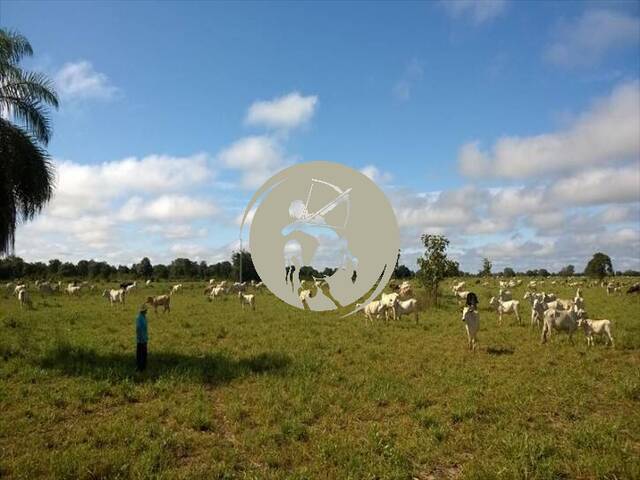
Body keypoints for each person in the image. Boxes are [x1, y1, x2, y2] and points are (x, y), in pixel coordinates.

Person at [136, 304, 148, 371]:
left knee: (144, 354)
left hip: (144, 339)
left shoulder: (144, 317)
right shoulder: (139, 318)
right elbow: (138, 329)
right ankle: (140, 368)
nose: (146, 311)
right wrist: (141, 338)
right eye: (146, 310)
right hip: (141, 340)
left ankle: (143, 367)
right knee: (141, 354)